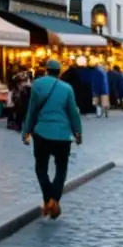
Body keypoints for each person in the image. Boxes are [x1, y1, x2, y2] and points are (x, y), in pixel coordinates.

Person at [22, 59, 83, 219]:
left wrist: (26, 131)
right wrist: (78, 132)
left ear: (46, 70)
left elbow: (32, 111)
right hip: (63, 135)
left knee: (41, 168)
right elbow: (73, 112)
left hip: (41, 133)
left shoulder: (37, 85)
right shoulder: (67, 88)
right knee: (61, 169)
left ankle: (48, 198)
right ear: (59, 72)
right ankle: (54, 200)